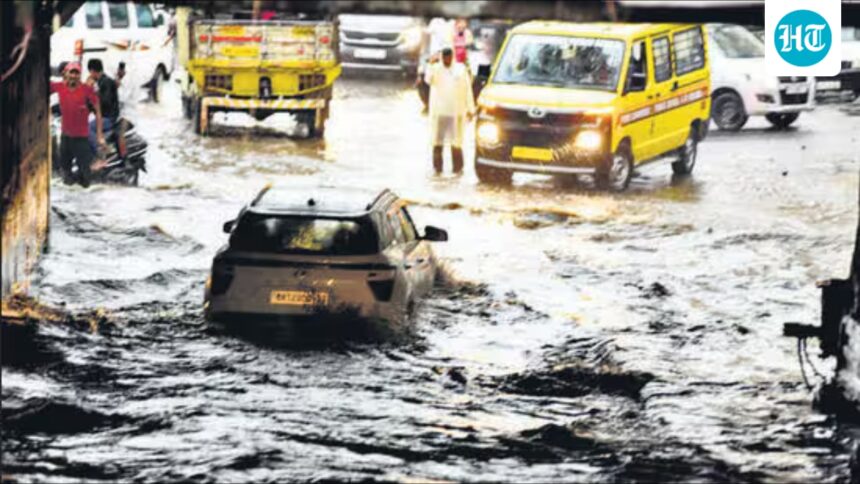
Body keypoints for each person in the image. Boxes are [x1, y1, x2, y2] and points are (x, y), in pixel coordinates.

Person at [50, 61, 104, 187]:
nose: (74, 76)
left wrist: (100, 135)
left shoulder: (87, 90)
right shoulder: (59, 87)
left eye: (77, 73)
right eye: (71, 73)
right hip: (65, 138)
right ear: (65, 74)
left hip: (81, 139)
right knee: (65, 174)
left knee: (86, 178)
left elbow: (98, 111)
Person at [425, 47, 475, 175]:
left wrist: (470, 109)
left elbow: (467, 89)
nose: (446, 60)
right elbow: (428, 80)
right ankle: (437, 170)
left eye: (448, 57)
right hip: (440, 113)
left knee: (456, 142)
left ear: (452, 57)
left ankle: (458, 170)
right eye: (444, 57)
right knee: (437, 142)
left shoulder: (460, 69)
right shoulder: (435, 69)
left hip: (456, 112)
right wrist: (430, 65)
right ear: (441, 57)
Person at [87, 59, 119, 164]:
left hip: (109, 118)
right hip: (102, 116)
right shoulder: (100, 82)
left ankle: (100, 152)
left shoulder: (107, 82)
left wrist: (93, 91)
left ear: (92, 71)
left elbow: (105, 103)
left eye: (90, 72)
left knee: (87, 128)